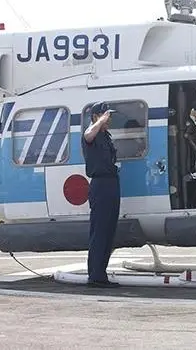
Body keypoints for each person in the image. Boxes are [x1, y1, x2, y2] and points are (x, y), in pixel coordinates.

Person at [81, 101, 121, 288]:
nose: (109, 120)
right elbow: (88, 135)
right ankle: (95, 275)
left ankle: (101, 274)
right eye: (106, 116)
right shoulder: (92, 133)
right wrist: (100, 121)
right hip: (100, 184)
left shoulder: (105, 136)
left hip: (112, 183)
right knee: (100, 231)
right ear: (96, 116)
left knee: (109, 230)